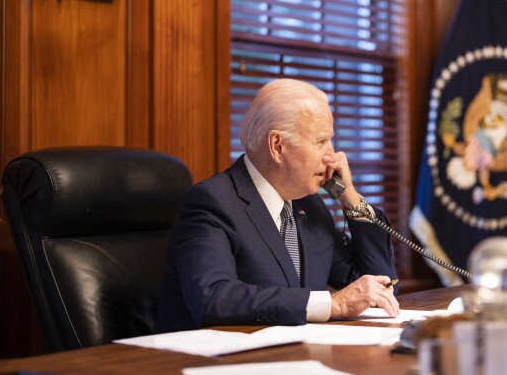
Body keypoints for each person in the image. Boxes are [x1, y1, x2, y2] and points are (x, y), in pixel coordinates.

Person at [156, 79, 399, 331]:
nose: (333, 156)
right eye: (320, 142)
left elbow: (380, 290)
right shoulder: (212, 202)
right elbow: (213, 298)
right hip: (204, 363)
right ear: (277, 146)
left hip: (291, 358)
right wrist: (333, 304)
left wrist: (350, 198)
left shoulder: (310, 207)